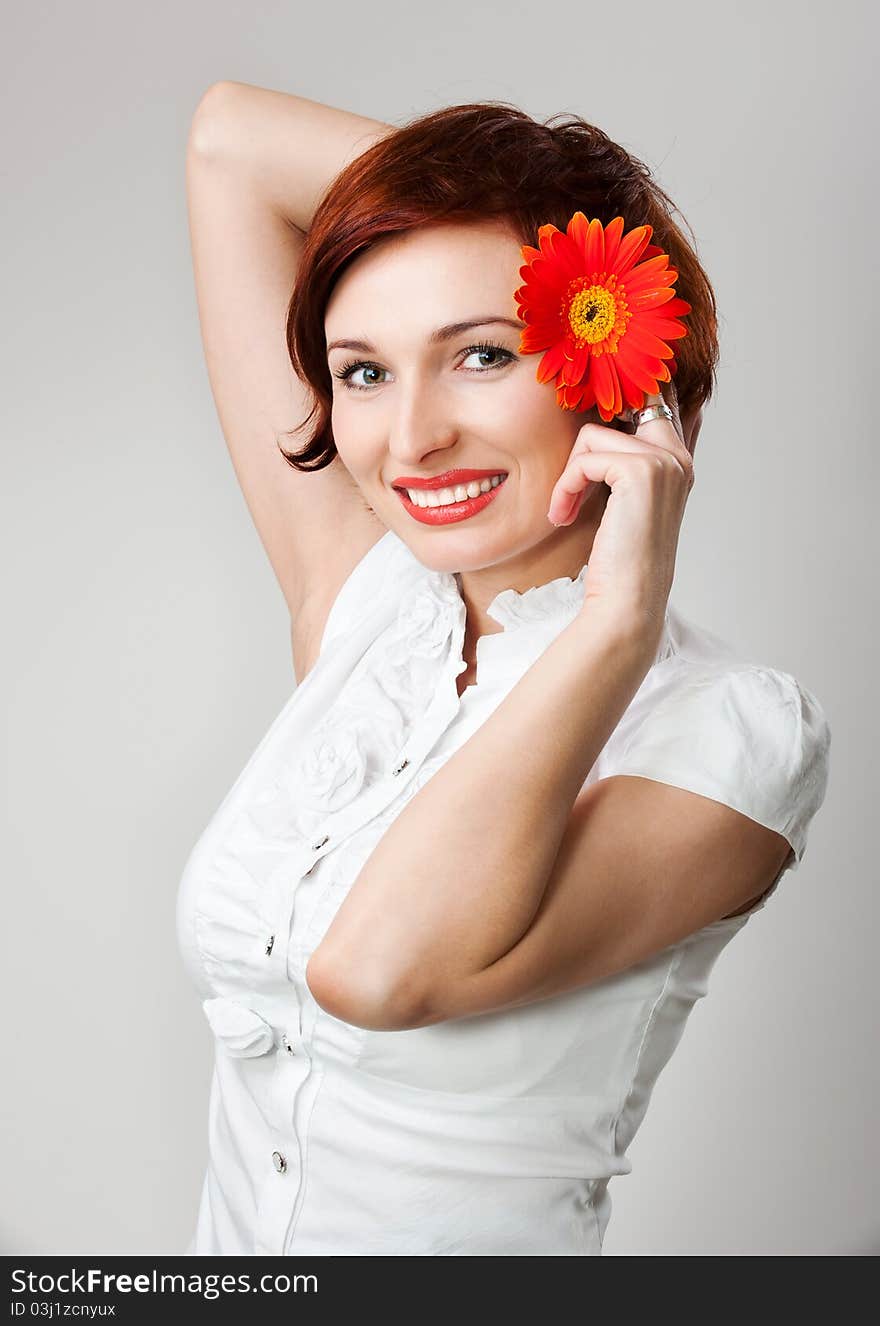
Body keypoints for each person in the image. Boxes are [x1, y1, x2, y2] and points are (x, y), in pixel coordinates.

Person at [177, 83, 831, 1257]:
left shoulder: (734, 734)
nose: (411, 436)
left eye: (479, 354)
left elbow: (375, 973)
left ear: (607, 365)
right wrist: (510, 230)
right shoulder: (369, 607)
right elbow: (228, 140)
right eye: (363, 372)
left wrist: (616, 621)